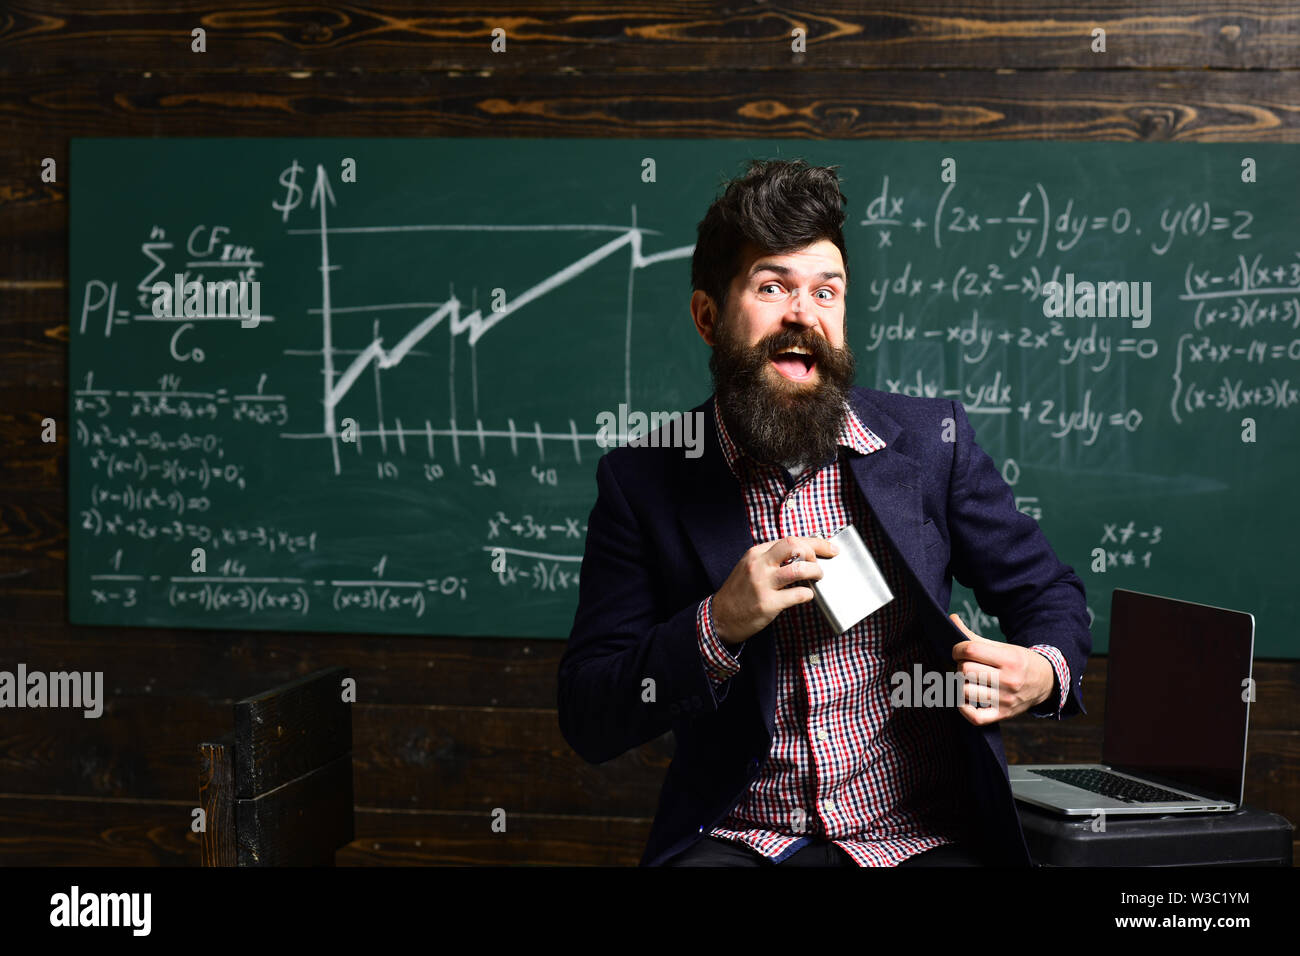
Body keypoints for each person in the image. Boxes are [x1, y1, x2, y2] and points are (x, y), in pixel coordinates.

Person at [557, 158, 1091, 867]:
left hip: (920, 835)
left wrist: (1044, 669)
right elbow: (591, 713)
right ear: (708, 317)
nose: (803, 315)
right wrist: (717, 623)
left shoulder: (933, 445)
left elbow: (1050, 595)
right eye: (772, 287)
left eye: (826, 292)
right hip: (742, 837)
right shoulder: (642, 482)